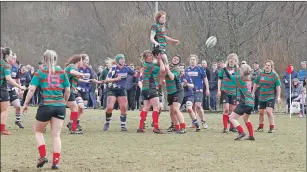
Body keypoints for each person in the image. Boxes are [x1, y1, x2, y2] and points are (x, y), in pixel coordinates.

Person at [21, 50, 70, 169]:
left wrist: (26, 103)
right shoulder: (62, 72)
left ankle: (43, 156)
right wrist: (64, 102)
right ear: (56, 59)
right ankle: (56, 162)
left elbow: (32, 89)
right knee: (56, 135)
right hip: (60, 106)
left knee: (38, 131)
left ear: (44, 59)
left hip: (46, 106)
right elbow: (68, 90)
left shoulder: (40, 72)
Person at [219, 62, 255, 140]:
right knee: (246, 119)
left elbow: (228, 76)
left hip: (244, 102)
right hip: (251, 103)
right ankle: (251, 136)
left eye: (240, 69)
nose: (239, 70)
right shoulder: (249, 78)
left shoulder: (239, 78)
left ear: (242, 71)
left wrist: (224, 67)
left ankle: (242, 133)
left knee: (231, 118)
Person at [104, 54, 135, 131]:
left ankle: (123, 126)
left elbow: (135, 74)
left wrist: (139, 73)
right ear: (117, 61)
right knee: (110, 107)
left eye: (124, 59)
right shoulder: (114, 68)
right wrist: (116, 79)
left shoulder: (127, 68)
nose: (123, 60)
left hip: (122, 90)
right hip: (112, 89)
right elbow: (107, 79)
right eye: (121, 59)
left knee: (124, 107)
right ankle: (107, 122)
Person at [137, 50, 165, 134]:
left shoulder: (144, 65)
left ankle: (140, 127)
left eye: (152, 55)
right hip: (150, 88)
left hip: (145, 89)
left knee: (146, 107)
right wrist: (160, 59)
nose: (152, 57)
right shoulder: (150, 66)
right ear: (146, 58)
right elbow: (162, 70)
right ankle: (156, 127)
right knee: (156, 107)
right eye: (150, 56)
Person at [150, 11, 180, 85]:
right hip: (157, 48)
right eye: (162, 17)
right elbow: (151, 37)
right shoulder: (155, 26)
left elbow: (165, 37)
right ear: (158, 18)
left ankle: (159, 81)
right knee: (165, 61)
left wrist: (173, 41)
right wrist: (155, 42)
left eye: (165, 18)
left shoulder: (163, 27)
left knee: (161, 67)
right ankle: (162, 80)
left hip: (163, 49)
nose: (164, 19)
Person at [1, 47, 25, 135]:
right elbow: (8, 78)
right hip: (2, 89)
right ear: (7, 55)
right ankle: (2, 129)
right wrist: (20, 86)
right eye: (11, 54)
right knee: (5, 109)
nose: (12, 56)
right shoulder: (6, 64)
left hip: (6, 89)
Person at [253, 60, 281, 133]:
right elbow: (255, 83)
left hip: (270, 96)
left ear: (271, 67)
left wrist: (278, 97)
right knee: (261, 113)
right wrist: (252, 92)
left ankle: (272, 128)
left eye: (269, 65)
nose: (267, 66)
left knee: (269, 112)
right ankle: (261, 127)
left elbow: (278, 87)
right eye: (266, 65)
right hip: (262, 96)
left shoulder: (275, 75)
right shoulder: (260, 74)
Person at [64, 54, 90, 134]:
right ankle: (73, 127)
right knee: (74, 108)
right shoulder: (73, 66)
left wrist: (85, 80)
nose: (82, 62)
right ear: (78, 61)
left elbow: (73, 77)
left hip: (69, 90)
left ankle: (73, 126)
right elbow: (72, 72)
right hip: (66, 90)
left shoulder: (73, 67)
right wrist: (83, 74)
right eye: (82, 60)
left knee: (75, 108)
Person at [185, 54, 210, 129]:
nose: (192, 61)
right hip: (190, 91)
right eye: (191, 59)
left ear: (196, 61)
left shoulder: (199, 69)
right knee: (192, 107)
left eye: (194, 59)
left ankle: (203, 122)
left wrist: (207, 89)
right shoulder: (187, 69)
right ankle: (194, 123)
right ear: (189, 61)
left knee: (198, 106)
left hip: (199, 90)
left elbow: (205, 79)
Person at [218, 53, 239, 133]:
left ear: (235, 61)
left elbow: (233, 78)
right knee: (226, 110)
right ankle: (225, 128)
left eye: (233, 59)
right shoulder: (223, 69)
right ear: (228, 59)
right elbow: (220, 79)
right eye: (230, 58)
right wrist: (219, 90)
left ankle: (232, 127)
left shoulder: (237, 69)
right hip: (225, 91)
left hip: (233, 92)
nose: (231, 60)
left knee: (232, 111)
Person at [164, 56, 187, 134]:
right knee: (171, 112)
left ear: (178, 62)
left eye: (177, 59)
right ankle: (176, 128)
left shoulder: (177, 69)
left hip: (178, 91)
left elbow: (172, 77)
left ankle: (183, 127)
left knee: (176, 109)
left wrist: (167, 69)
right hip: (170, 92)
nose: (175, 59)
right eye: (174, 58)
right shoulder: (168, 65)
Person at [7, 53, 24, 128]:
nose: (14, 60)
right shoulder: (4, 66)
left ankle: (18, 120)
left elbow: (18, 79)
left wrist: (20, 88)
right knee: (4, 108)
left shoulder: (15, 68)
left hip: (12, 90)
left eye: (15, 58)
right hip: (3, 90)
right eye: (13, 58)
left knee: (18, 106)